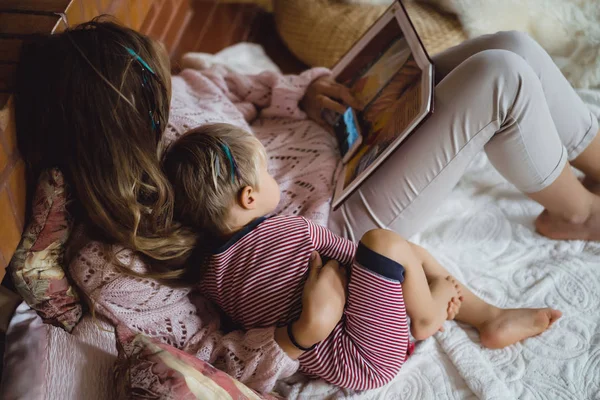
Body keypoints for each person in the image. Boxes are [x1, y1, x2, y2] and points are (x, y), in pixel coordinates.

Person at [13, 17, 596, 393]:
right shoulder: (115, 263)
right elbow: (205, 360)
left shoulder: (172, 102)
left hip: (340, 142)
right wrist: (299, 333)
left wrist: (299, 91)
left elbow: (221, 82)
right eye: (153, 101)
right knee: (499, 78)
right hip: (325, 229)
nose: (168, 104)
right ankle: (578, 214)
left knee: (512, 45)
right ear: (110, 132)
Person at [161, 122, 471, 390]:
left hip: (346, 371)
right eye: (267, 172)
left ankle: (455, 303)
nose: (273, 178)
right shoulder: (295, 231)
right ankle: (427, 315)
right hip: (371, 350)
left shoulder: (210, 278)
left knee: (404, 253)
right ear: (249, 197)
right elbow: (359, 258)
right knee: (385, 244)